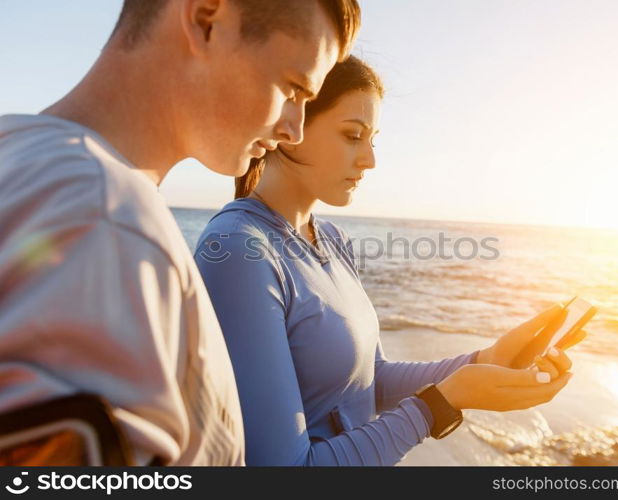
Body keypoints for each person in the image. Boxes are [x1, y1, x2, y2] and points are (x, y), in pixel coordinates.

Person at [0, 0, 360, 465]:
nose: (294, 129)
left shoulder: (22, 156)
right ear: (207, 20)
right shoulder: (104, 218)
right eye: (294, 88)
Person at [195, 56, 584, 465]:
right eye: (352, 135)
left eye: (372, 140)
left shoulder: (331, 239)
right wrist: (440, 405)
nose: (369, 160)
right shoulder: (237, 251)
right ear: (291, 123)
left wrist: (483, 361)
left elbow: (370, 383)